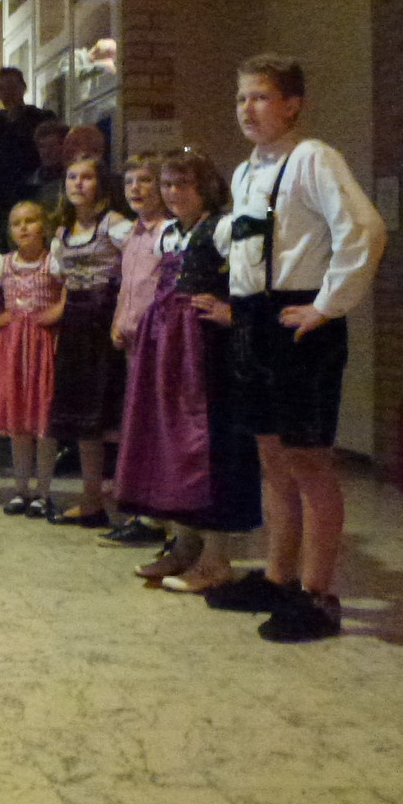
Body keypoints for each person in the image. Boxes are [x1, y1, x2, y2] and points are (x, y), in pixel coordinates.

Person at [208, 57, 385, 642]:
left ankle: (318, 594)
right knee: (271, 456)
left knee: (309, 460)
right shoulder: (245, 172)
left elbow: (363, 229)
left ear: (292, 105)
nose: (247, 108)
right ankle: (278, 578)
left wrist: (327, 305)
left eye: (260, 97)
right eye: (241, 98)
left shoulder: (314, 158)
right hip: (256, 322)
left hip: (300, 325)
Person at [114, 150, 260, 591]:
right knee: (171, 443)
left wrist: (233, 312)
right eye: (168, 184)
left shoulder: (224, 228)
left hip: (207, 351)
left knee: (209, 445)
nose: (173, 192)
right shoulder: (169, 233)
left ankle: (216, 558)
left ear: (205, 187)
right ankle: (183, 545)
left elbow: (255, 279)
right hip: (168, 349)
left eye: (183, 184)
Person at [44, 155, 134, 527]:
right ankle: (91, 499)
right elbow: (63, 284)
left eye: (86, 177)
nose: (78, 183)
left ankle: (134, 501)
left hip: (107, 323)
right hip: (76, 326)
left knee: (115, 413)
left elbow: (138, 271)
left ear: (101, 184)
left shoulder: (115, 225)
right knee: (84, 417)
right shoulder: (62, 232)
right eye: (71, 176)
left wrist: (124, 316)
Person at [98, 154, 171, 549]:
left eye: (145, 180)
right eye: (129, 182)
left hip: (159, 341)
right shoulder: (133, 235)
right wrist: (117, 321)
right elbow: (129, 286)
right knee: (139, 427)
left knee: (159, 428)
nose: (136, 189)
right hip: (132, 344)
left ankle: (161, 514)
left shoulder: (168, 233)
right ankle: (145, 510)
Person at [0, 201, 62, 516]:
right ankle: (21, 488)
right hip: (13, 347)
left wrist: (57, 314)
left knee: (44, 421)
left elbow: (69, 292)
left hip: (43, 344)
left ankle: (43, 491)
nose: (24, 227)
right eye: (17, 223)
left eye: (30, 221)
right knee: (18, 423)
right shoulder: (2, 264)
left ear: (44, 226)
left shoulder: (54, 262)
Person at [0, 67, 55, 253]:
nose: (8, 92)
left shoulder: (43, 119)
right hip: (0, 204)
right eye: (1, 88)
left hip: (37, 196)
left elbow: (48, 155)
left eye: (12, 86)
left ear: (23, 87)